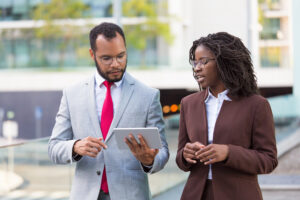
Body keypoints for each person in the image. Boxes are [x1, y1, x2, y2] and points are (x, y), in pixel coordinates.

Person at [48, 22, 169, 200]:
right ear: (92, 55)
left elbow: (163, 152)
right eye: (107, 58)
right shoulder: (71, 94)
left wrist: (150, 160)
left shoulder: (148, 96)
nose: (116, 64)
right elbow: (54, 148)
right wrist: (75, 146)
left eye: (121, 56)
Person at [176, 32, 278, 200]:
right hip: (196, 194)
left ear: (224, 62)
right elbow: (181, 160)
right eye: (195, 61)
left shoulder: (256, 105)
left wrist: (228, 153)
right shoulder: (188, 103)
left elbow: (268, 160)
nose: (197, 67)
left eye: (204, 61)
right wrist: (185, 155)